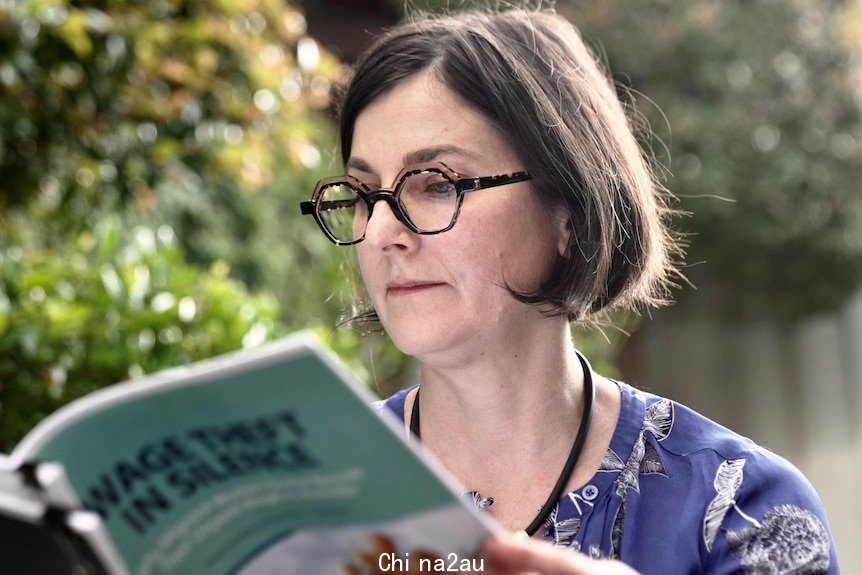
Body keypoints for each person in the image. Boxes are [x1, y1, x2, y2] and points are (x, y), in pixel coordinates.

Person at [300, 6, 839, 574]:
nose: (381, 232)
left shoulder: (742, 510)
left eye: (437, 184)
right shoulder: (299, 500)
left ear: (567, 211)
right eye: (361, 195)